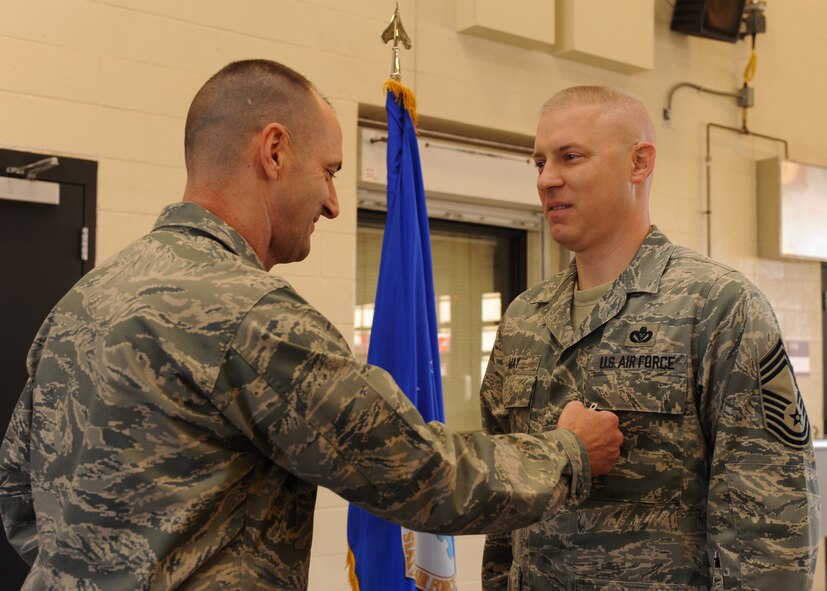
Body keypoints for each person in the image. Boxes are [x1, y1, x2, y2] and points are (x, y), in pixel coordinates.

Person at [0, 61, 624, 590]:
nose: (331, 201)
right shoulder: (251, 316)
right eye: (328, 171)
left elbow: (19, 498)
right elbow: (420, 475)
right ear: (273, 151)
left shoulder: (85, 299)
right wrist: (567, 451)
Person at [480, 85, 820, 591]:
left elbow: (772, 515)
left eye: (570, 157)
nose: (548, 179)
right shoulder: (525, 317)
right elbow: (507, 503)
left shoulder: (718, 305)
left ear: (639, 164)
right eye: (539, 162)